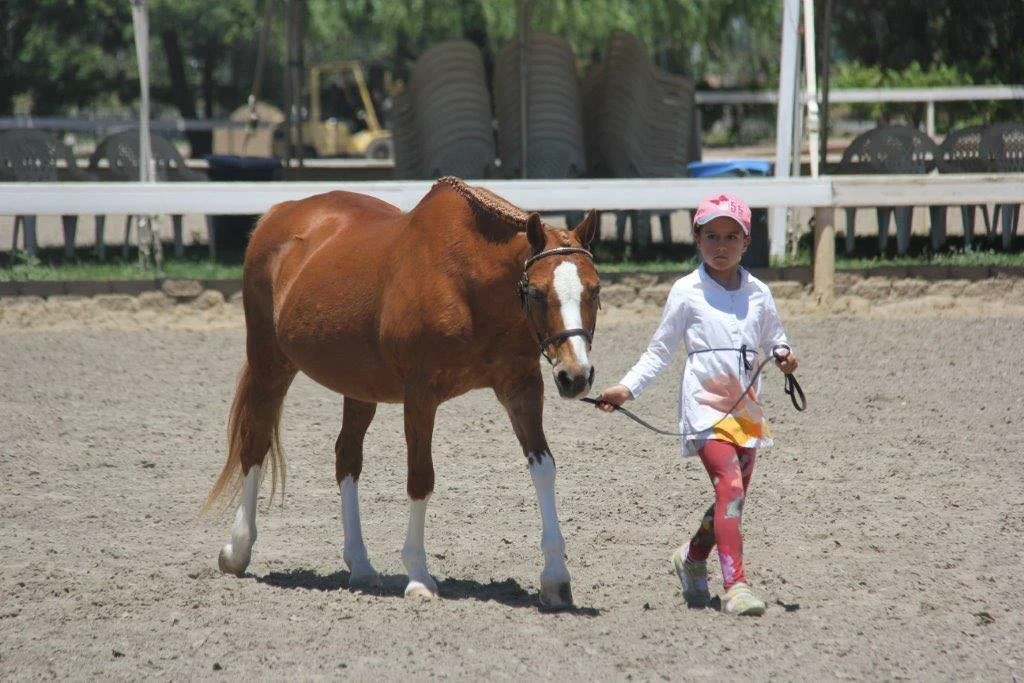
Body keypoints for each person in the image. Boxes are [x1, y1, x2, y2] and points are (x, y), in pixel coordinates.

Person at [595, 193, 798, 616]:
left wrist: (785, 357)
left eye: (730, 237)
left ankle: (690, 557)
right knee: (731, 487)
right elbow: (659, 352)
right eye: (711, 236)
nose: (720, 246)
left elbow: (775, 338)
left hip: (747, 409)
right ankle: (737, 586)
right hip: (704, 407)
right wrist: (625, 389)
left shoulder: (760, 292)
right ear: (697, 238)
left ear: (746, 241)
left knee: (732, 497)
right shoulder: (685, 292)